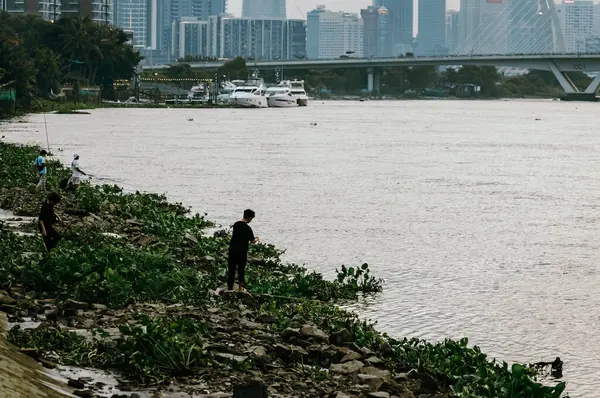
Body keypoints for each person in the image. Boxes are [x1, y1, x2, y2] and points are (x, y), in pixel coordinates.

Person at [227, 209, 260, 292]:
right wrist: (257, 239)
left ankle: (230, 287)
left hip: (232, 249)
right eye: (251, 219)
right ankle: (240, 288)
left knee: (232, 268)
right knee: (241, 269)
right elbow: (252, 241)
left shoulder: (236, 224)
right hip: (242, 251)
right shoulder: (248, 228)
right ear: (249, 218)